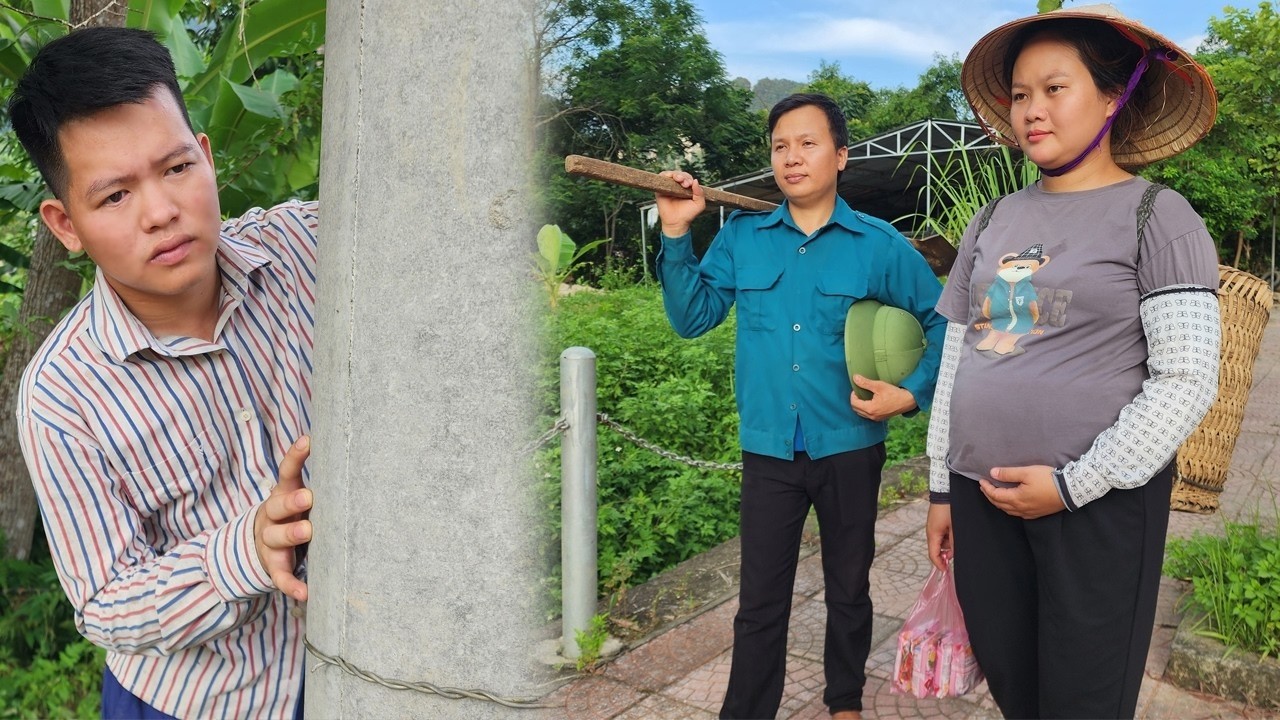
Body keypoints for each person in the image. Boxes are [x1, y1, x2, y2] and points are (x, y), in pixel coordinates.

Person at [10, 27, 317, 719]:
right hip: (196, 702)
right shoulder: (62, 397)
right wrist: (246, 549)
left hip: (351, 665)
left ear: (205, 156)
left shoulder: (306, 247)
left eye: (176, 168)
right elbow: (104, 601)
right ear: (65, 223)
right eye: (115, 196)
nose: (162, 212)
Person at [924, 5, 1221, 718]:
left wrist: (1074, 484)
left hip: (1097, 509)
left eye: (1054, 88)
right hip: (982, 498)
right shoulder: (994, 219)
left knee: (1084, 699)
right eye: (1020, 94)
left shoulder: (1160, 217)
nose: (1031, 111)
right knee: (1016, 687)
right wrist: (941, 486)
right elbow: (959, 357)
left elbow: (1185, 379)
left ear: (1114, 97)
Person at [654, 93, 946, 719]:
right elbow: (691, 317)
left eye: (808, 143)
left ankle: (844, 702)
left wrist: (910, 392)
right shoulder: (743, 238)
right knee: (760, 601)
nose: (792, 157)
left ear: (840, 156)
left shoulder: (877, 244)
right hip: (769, 450)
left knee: (849, 588)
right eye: (781, 145)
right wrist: (677, 231)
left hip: (850, 444)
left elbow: (942, 321)